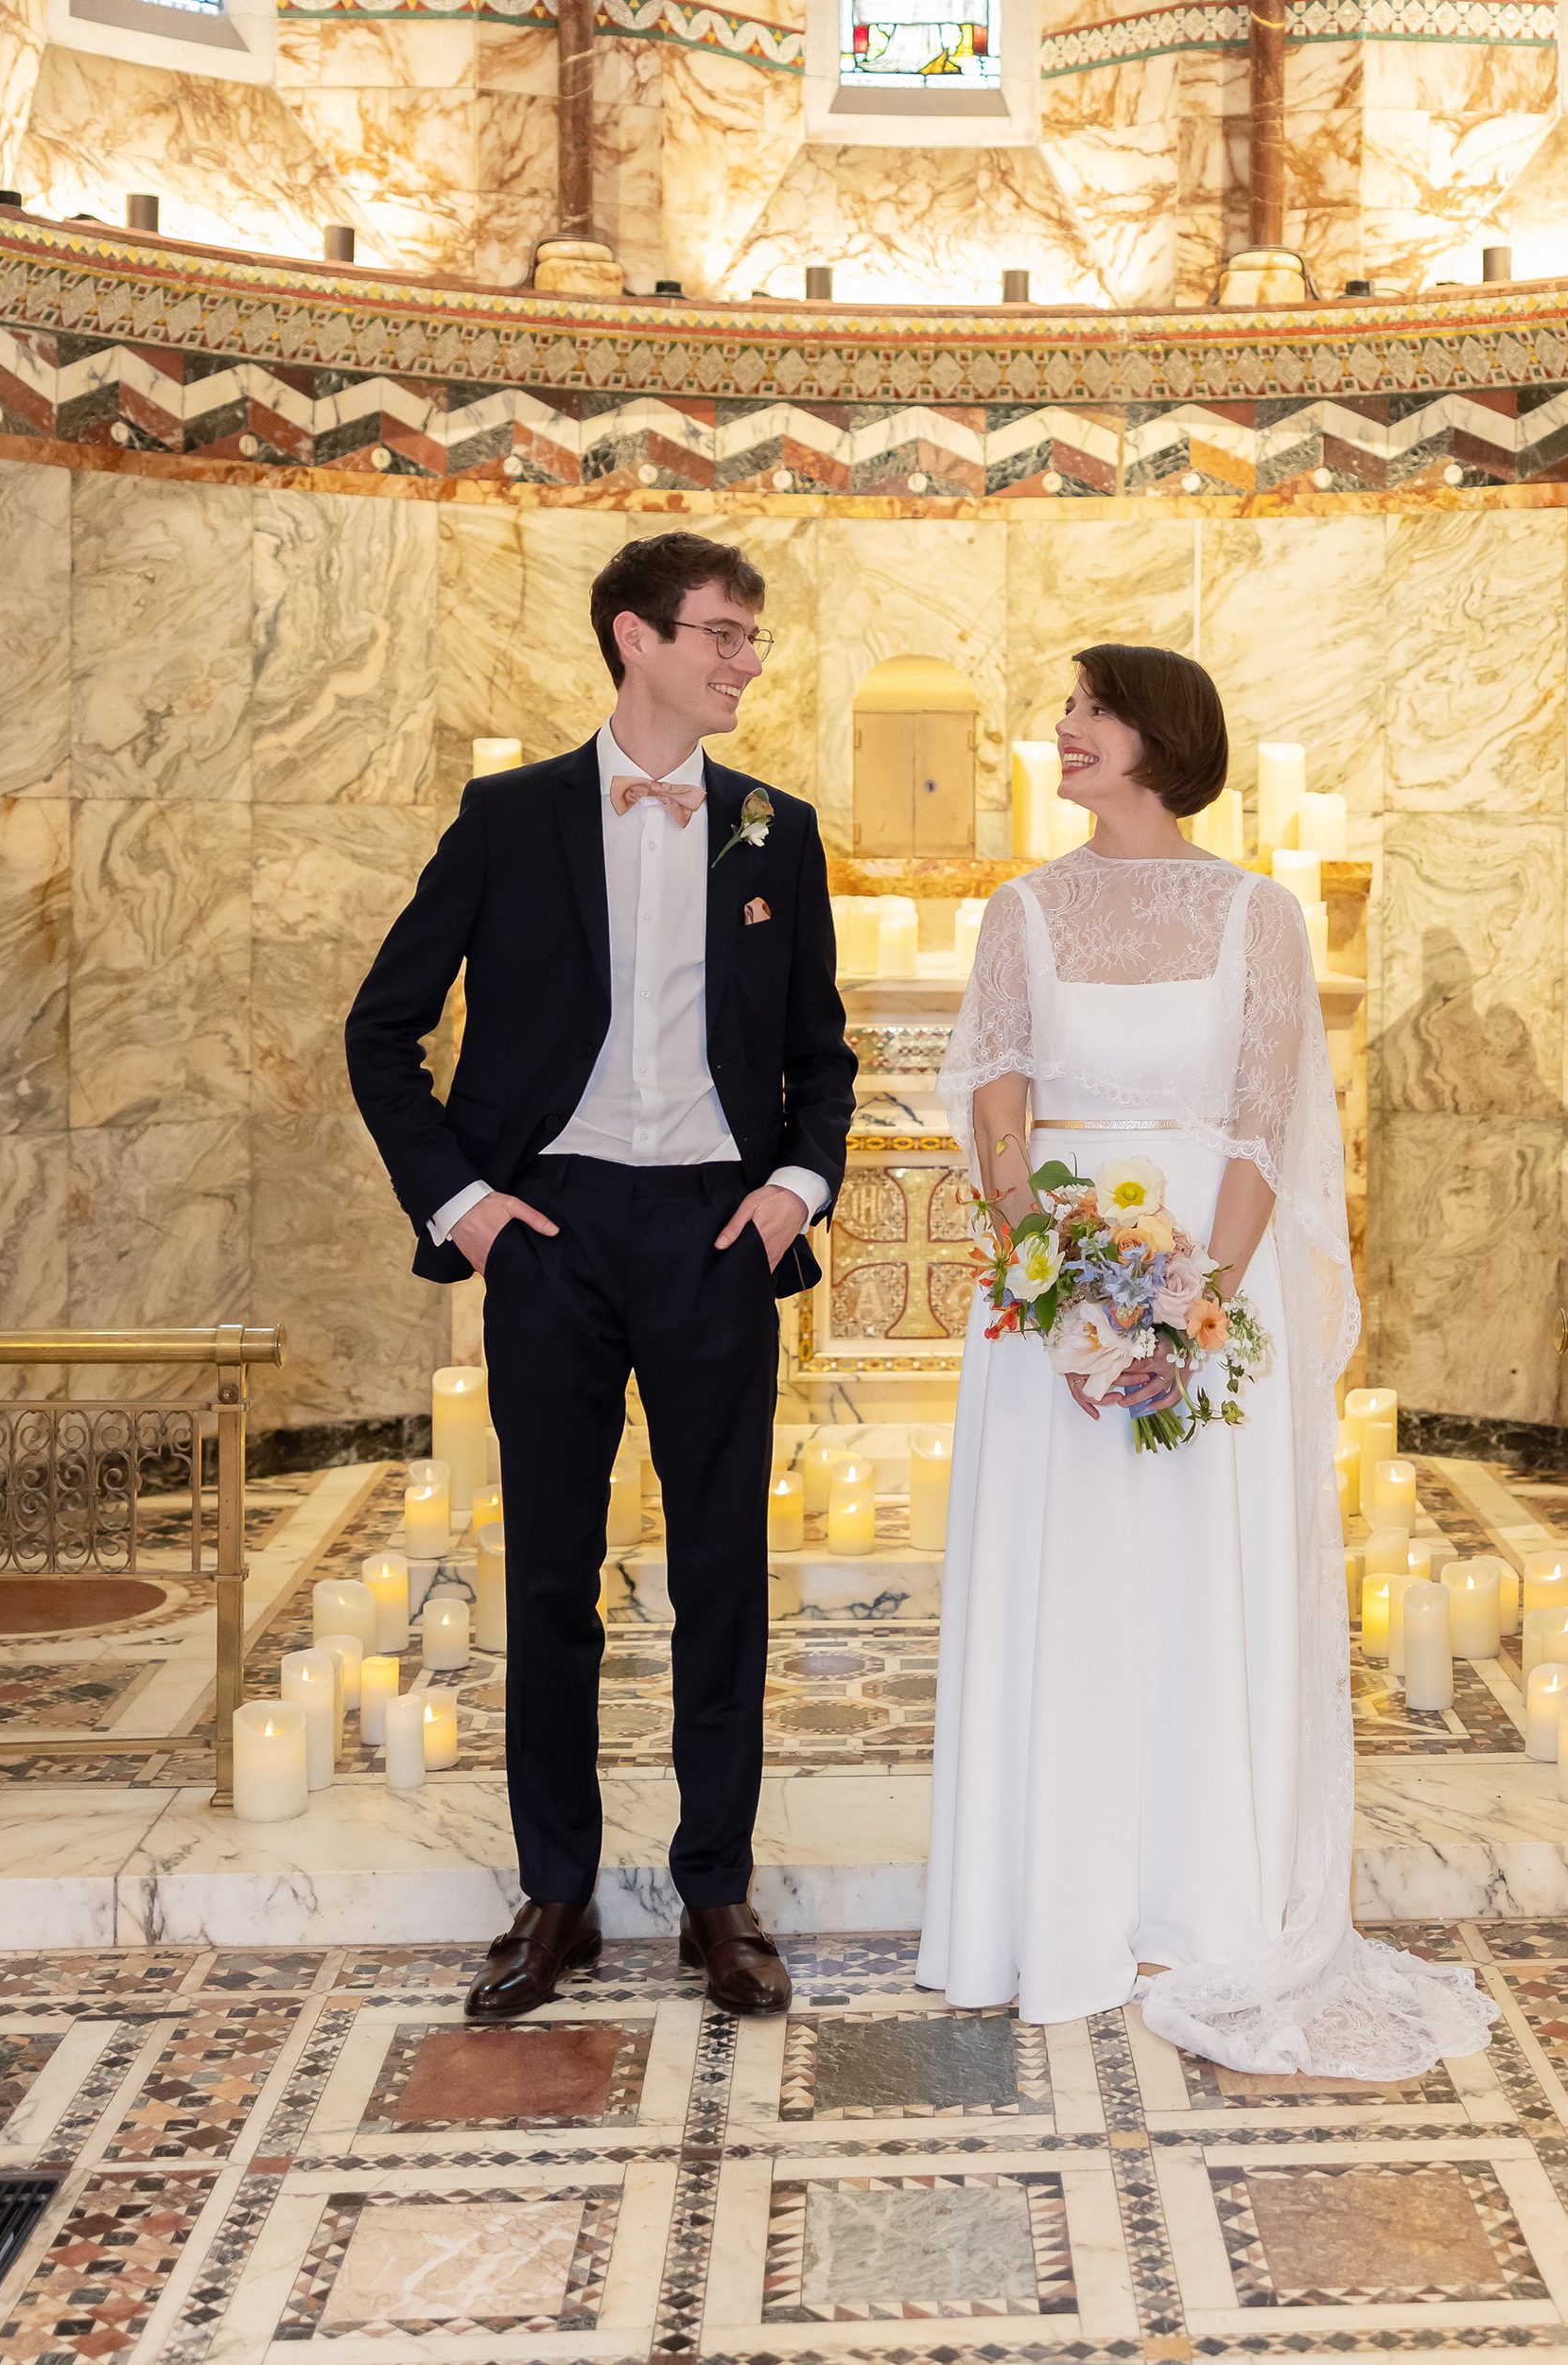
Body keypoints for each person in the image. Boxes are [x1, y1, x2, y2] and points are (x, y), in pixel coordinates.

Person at [916, 644, 1495, 2076]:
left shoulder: (1257, 916)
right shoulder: (1020, 912)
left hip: (1208, 1295)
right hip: (1050, 1296)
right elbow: (997, 1114)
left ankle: (1200, 1901)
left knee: (1190, 1583)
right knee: (1068, 1584)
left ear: (1162, 737)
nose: (1063, 731)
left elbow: (1259, 1122)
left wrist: (1190, 1308)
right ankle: (1043, 1912)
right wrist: (1057, 1295)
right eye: (1064, 710)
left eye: (1092, 711)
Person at [347, 531, 856, 2022]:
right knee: (555, 1577)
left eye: (754, 639)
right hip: (550, 1237)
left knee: (722, 1581)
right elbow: (382, 1030)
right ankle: (553, 1893)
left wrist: (792, 1189)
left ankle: (718, 1894)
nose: (744, 661)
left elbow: (820, 1052)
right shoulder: (510, 819)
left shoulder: (777, 827)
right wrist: (470, 1205)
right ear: (635, 638)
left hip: (715, 1233)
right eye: (720, 634)